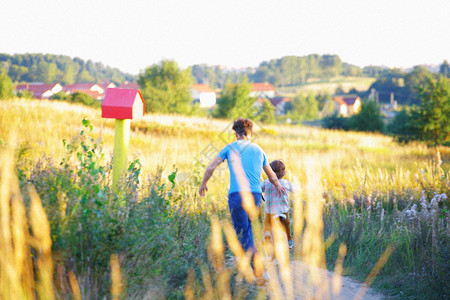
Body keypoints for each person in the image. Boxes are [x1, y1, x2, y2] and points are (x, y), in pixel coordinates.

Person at [198, 118, 285, 277]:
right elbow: (272, 176)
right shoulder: (259, 149)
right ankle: (251, 265)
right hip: (256, 195)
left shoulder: (229, 148)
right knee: (247, 229)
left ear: (236, 134)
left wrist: (203, 183)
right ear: (250, 134)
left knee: (242, 233)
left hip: (237, 195)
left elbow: (211, 167)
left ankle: (259, 268)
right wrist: (279, 187)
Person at [261, 160, 294, 251]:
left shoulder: (266, 183)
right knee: (286, 223)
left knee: (267, 224)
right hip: (283, 210)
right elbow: (296, 191)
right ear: (283, 173)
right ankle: (289, 240)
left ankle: (267, 238)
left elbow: (259, 189)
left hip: (270, 210)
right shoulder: (286, 183)